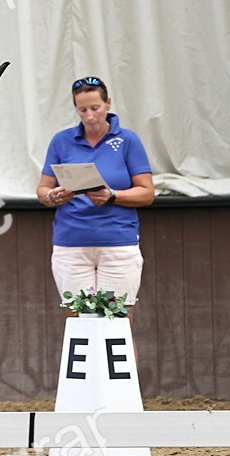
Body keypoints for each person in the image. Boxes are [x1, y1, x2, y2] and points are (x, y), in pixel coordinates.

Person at [36, 76, 155, 317]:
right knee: (79, 319)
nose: (89, 116)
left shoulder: (127, 140)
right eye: (82, 110)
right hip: (71, 242)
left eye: (95, 108)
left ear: (108, 103)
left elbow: (147, 192)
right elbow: (42, 190)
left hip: (118, 243)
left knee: (118, 321)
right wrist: (53, 196)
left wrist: (112, 196)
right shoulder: (61, 140)